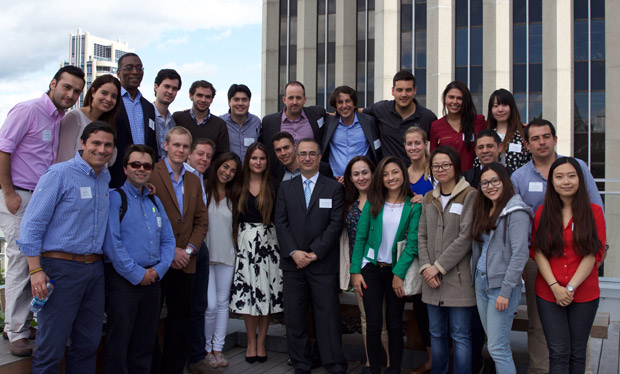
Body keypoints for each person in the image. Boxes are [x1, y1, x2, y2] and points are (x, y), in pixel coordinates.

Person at [0, 65, 85, 357]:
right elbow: (3, 150)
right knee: (20, 263)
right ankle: (15, 331)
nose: (70, 94)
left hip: (43, 199)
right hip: (20, 196)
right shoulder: (27, 110)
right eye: (66, 87)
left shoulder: (60, 119)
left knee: (39, 263)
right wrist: (9, 193)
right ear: (53, 83)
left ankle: (22, 323)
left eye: (76, 91)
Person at [17, 121, 114, 372]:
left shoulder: (105, 177)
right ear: (82, 144)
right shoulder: (58, 174)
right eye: (96, 143)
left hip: (94, 270)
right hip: (59, 269)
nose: (101, 149)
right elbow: (32, 224)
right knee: (52, 345)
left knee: (88, 344)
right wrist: (36, 270)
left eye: (107, 145)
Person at [510, 118, 603, 374]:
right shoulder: (520, 177)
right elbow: (518, 223)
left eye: (546, 136)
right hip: (538, 261)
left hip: (580, 260)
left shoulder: (578, 167)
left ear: (554, 139)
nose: (542, 142)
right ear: (527, 145)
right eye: (536, 138)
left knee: (576, 337)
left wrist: (593, 261)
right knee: (540, 326)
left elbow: (597, 216)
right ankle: (541, 371)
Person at [275, 138, 348, 374]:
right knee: (295, 318)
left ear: (319, 157)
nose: (307, 158)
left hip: (322, 263)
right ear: (297, 157)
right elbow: (281, 222)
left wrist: (315, 252)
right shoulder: (286, 187)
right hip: (293, 263)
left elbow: (335, 225)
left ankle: (333, 362)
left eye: (312, 154)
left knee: (327, 316)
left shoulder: (334, 188)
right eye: (303, 154)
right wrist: (295, 252)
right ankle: (300, 362)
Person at [103, 144, 175, 374]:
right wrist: (137, 274)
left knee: (144, 343)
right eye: (135, 164)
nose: (141, 169)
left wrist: (157, 271)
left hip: (153, 281)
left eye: (146, 165)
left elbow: (169, 241)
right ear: (125, 168)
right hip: (123, 283)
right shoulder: (115, 199)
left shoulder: (155, 201)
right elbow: (113, 244)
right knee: (119, 343)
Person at [531, 157, 606, 373]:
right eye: (560, 176)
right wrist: (555, 287)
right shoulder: (542, 212)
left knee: (577, 353)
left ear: (580, 180)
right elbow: (538, 252)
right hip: (548, 292)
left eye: (572, 176)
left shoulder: (594, 212)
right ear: (552, 182)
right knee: (558, 352)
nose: (566, 181)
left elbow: (593, 253)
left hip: (584, 293)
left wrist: (570, 288)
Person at [350, 157, 421, 374]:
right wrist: (355, 271)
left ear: (403, 174)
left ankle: (394, 369)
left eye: (395, 172)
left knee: (394, 325)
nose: (391, 178)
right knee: (373, 325)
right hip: (371, 269)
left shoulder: (413, 206)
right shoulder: (374, 201)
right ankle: (374, 370)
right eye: (385, 174)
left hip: (395, 271)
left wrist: (398, 274)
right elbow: (360, 237)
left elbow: (412, 244)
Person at [149, 126, 209, 374]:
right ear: (165, 145)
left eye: (185, 146)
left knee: (179, 322)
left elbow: (201, 221)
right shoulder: (150, 173)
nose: (181, 150)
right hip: (156, 261)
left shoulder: (194, 179)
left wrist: (189, 250)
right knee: (150, 321)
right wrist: (171, 251)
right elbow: (146, 220)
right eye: (176, 145)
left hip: (186, 261)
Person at [418, 146, 477, 374]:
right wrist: (426, 268)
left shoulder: (470, 195)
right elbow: (421, 234)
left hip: (458, 279)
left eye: (445, 165)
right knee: (436, 333)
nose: (440, 169)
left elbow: (466, 237)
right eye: (435, 166)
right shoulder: (428, 197)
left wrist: (438, 268)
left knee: (460, 335)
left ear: (455, 167)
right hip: (430, 280)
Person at [470, 163, 531, 374]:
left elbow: (520, 254)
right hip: (481, 280)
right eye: (485, 182)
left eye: (495, 181)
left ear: (505, 182)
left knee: (498, 348)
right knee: (494, 343)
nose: (490, 186)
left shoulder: (517, 211)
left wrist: (505, 291)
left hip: (501, 286)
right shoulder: (486, 208)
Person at [230, 143, 284, 363]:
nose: (258, 162)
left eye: (262, 158)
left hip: (269, 244)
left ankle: (261, 341)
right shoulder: (238, 185)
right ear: (248, 160)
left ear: (266, 162)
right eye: (254, 158)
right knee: (248, 295)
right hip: (244, 246)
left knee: (266, 294)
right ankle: (250, 342)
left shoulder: (273, 185)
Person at [340, 156, 383, 374]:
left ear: (374, 173)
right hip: (359, 269)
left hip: (383, 267)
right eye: (355, 174)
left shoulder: (384, 200)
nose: (361, 177)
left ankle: (386, 364)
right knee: (366, 316)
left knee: (383, 319)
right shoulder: (349, 203)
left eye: (365, 172)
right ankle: (370, 362)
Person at [202, 152, 241, 368]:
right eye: (225, 167)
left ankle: (218, 348)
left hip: (227, 254)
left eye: (233, 170)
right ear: (217, 165)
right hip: (206, 255)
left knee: (223, 303)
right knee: (210, 305)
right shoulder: (203, 188)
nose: (227, 172)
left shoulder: (234, 194)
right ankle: (206, 349)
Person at [403, 126, 434, 374]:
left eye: (417, 143)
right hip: (410, 247)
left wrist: (425, 200)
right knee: (420, 307)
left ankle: (442, 360)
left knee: (436, 305)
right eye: (409, 144)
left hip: (435, 246)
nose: (413, 147)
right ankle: (431, 359)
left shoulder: (435, 171)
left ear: (426, 144)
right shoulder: (402, 175)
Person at [363, 70, 437, 165]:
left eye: (408, 90)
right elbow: (357, 111)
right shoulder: (381, 109)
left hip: (417, 175)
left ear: (415, 90)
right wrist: (337, 114)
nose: (404, 95)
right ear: (393, 91)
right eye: (399, 90)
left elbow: (438, 145)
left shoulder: (427, 117)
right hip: (389, 175)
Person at [110, 53, 158, 188]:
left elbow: (152, 144)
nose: (135, 72)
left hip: (142, 177)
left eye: (139, 68)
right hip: (115, 176)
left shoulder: (148, 107)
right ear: (118, 73)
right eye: (129, 68)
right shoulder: (111, 101)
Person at [260, 81, 327, 171]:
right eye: (291, 98)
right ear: (284, 100)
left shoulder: (317, 114)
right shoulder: (269, 122)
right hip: (282, 176)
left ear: (304, 99)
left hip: (312, 173)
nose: (294, 102)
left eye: (298, 98)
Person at [56, 74, 121, 163]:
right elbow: (63, 157)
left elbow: (111, 161)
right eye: (104, 93)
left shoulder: (108, 123)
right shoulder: (74, 117)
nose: (108, 99)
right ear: (93, 92)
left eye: (114, 96)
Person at [320, 86, 381, 178]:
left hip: (362, 180)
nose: (344, 105)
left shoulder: (369, 122)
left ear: (354, 104)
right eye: (340, 102)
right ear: (335, 106)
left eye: (348, 101)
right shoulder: (329, 123)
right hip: (335, 180)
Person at [429, 81, 486, 172]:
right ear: (444, 98)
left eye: (459, 98)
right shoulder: (436, 126)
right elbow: (433, 157)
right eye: (451, 97)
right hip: (448, 180)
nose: (454, 102)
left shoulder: (479, 122)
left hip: (474, 180)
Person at [173, 80, 230, 161]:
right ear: (191, 96)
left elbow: (222, 156)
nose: (203, 100)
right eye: (199, 95)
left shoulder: (220, 124)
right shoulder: (178, 118)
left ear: (212, 99)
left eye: (207, 97)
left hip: (208, 172)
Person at [482, 88, 530, 172]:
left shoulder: (523, 134)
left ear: (511, 107)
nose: (500, 110)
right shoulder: (485, 136)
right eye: (496, 106)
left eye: (504, 105)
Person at [221, 84, 262, 163]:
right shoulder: (221, 122)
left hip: (250, 173)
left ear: (249, 102)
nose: (240, 103)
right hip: (229, 173)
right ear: (229, 102)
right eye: (236, 99)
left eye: (244, 100)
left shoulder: (256, 122)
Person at [153, 69, 182, 157]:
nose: (170, 92)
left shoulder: (173, 121)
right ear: (156, 87)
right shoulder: (145, 114)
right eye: (166, 86)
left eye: (174, 89)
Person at [185, 138, 216, 204]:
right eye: (200, 154)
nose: (205, 159)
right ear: (189, 154)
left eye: (209, 156)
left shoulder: (199, 176)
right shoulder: (179, 173)